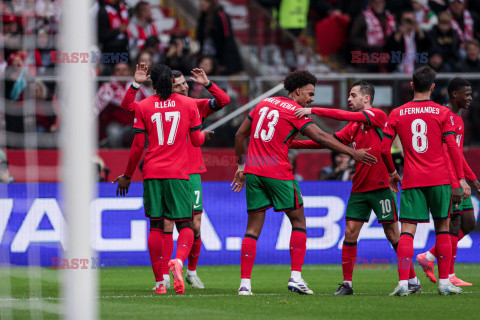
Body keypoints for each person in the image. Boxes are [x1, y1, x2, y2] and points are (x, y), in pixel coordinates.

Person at [231, 70, 377, 296]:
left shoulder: (264, 103)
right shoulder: (294, 111)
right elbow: (321, 137)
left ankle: (244, 285)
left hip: (254, 172)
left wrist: (241, 167)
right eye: (310, 94)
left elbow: (240, 134)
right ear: (297, 91)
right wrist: (352, 153)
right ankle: (296, 278)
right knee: (298, 221)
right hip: (277, 172)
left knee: (252, 229)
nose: (311, 99)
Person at [293, 81, 420, 295]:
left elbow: (344, 116)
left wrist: (312, 110)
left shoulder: (378, 116)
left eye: (353, 96)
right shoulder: (354, 127)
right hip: (359, 189)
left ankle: (411, 280)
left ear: (366, 98)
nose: (349, 100)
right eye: (349, 96)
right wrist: (291, 143)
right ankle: (347, 284)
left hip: (381, 188)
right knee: (350, 233)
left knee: (392, 234)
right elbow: (326, 141)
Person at [115, 63, 212, 295]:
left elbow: (138, 145)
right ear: (170, 82)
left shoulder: (145, 106)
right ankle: (179, 260)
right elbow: (197, 141)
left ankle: (160, 282)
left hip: (152, 173)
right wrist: (201, 134)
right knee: (186, 224)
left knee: (156, 227)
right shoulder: (189, 104)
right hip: (178, 174)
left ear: (152, 83)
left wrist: (128, 175)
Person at [381, 66, 471, 296]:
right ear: (432, 87)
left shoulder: (396, 113)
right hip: (440, 180)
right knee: (442, 229)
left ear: (412, 86)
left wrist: (393, 172)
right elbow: (452, 148)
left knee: (407, 233)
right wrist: (460, 179)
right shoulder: (442, 113)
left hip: (412, 180)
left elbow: (384, 149)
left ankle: (403, 282)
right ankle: (443, 283)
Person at [157, 69, 230, 289]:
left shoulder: (194, 106)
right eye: (178, 86)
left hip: (191, 172)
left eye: (184, 84)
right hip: (169, 171)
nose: (184, 87)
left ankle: (191, 272)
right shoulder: (158, 108)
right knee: (167, 223)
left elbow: (223, 100)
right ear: (169, 89)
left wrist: (208, 83)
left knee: (195, 225)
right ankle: (164, 276)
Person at [417, 78, 480, 287]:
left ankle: (429, 257)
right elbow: (445, 154)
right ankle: (449, 274)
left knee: (469, 223)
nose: (470, 98)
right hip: (448, 180)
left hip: (460, 179)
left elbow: (458, 154)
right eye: (467, 94)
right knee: (453, 223)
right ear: (455, 94)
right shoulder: (444, 117)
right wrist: (458, 181)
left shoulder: (458, 119)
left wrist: (471, 177)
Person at [197, 0, 243, 75]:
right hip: (207, 58)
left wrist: (224, 63)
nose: (200, 4)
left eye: (203, 2)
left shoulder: (221, 15)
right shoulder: (203, 17)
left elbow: (227, 39)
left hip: (220, 61)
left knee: (219, 84)